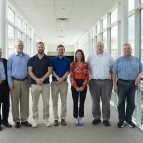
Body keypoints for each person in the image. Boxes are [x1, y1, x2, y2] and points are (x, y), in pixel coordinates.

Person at [112, 43, 143, 128]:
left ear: (131, 49)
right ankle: (121, 120)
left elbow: (141, 70)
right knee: (121, 103)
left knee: (131, 103)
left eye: (128, 48)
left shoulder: (137, 60)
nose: (127, 50)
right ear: (123, 50)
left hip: (133, 84)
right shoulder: (118, 60)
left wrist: (139, 77)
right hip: (121, 83)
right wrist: (115, 84)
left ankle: (129, 119)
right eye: (125, 48)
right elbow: (114, 73)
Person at [87, 42, 114, 126]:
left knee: (106, 101)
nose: (99, 47)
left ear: (103, 47)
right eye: (98, 46)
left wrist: (112, 82)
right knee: (95, 101)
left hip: (106, 81)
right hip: (93, 81)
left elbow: (113, 69)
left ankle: (106, 118)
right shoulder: (90, 57)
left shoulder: (109, 56)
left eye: (101, 46)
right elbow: (86, 69)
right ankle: (96, 117)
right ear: (95, 47)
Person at [7, 40, 31, 128]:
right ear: (15, 47)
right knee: (15, 102)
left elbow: (29, 70)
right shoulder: (11, 57)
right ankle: (16, 120)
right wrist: (10, 83)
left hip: (25, 81)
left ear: (23, 46)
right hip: (14, 82)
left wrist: (29, 81)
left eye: (21, 45)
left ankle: (24, 119)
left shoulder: (27, 57)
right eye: (18, 45)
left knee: (25, 102)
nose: (20, 47)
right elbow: (9, 71)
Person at [28, 42, 52, 128]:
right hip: (34, 84)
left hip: (45, 84)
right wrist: (37, 80)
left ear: (44, 48)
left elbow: (50, 71)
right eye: (39, 47)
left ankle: (46, 118)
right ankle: (35, 119)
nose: (40, 48)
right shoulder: (31, 59)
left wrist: (42, 79)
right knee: (35, 103)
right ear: (36, 48)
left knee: (46, 103)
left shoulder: (48, 59)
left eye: (42, 47)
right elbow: (30, 71)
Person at [51, 45, 70, 126]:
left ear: (64, 51)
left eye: (62, 50)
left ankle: (63, 118)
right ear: (56, 50)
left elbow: (68, 71)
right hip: (55, 82)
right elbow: (51, 70)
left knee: (64, 101)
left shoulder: (68, 60)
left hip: (64, 82)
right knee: (54, 101)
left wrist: (62, 79)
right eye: (59, 50)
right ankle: (55, 118)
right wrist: (58, 78)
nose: (60, 51)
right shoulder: (52, 60)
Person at [70, 49, 89, 126]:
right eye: (77, 54)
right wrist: (76, 86)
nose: (79, 55)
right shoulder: (73, 64)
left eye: (80, 54)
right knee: (75, 102)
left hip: (83, 83)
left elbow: (87, 76)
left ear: (82, 55)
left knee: (82, 102)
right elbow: (71, 76)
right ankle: (76, 118)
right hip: (75, 84)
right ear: (75, 55)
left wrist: (83, 86)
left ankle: (80, 117)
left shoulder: (86, 64)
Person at [0, 48, 12, 131]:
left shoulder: (5, 61)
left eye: (1, 52)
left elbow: (8, 71)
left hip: (5, 85)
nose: (0, 54)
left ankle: (5, 121)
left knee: (6, 104)